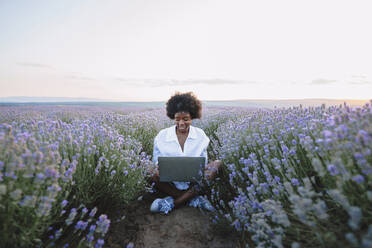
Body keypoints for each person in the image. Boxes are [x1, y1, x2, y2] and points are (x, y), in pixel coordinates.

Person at [150, 92, 223, 214]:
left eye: (185, 119)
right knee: (148, 168)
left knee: (218, 164)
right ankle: (191, 199)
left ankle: (174, 202)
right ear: (173, 117)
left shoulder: (200, 135)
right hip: (169, 182)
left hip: (193, 181)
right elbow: (156, 161)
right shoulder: (162, 135)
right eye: (177, 119)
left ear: (192, 117)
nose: (181, 123)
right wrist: (158, 166)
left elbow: (203, 162)